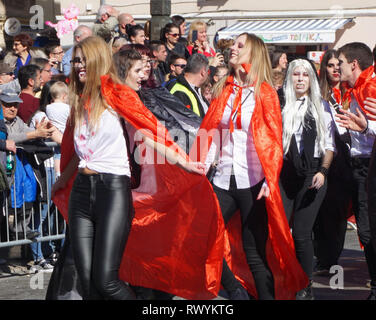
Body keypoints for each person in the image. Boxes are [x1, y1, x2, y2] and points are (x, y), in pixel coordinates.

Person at [50, 36, 207, 300]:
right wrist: (62, 180)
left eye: (84, 59)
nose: (78, 65)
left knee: (107, 281)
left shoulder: (116, 93)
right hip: (81, 191)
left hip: (112, 191)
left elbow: (150, 132)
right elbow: (80, 153)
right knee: (87, 284)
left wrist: (183, 160)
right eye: (75, 59)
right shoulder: (79, 100)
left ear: (98, 59)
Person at [189, 33, 308, 300]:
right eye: (233, 44)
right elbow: (210, 131)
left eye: (240, 46)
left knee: (255, 253)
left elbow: (273, 141)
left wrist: (269, 180)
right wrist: (199, 164)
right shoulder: (224, 88)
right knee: (202, 237)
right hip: (222, 179)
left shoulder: (265, 92)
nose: (233, 48)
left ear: (253, 54)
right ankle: (234, 289)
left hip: (253, 182)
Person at [279, 58, 336, 300]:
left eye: (305, 75)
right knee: (280, 231)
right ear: (289, 78)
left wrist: (322, 172)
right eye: (296, 74)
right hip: (285, 170)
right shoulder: (279, 105)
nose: (301, 78)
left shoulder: (321, 106)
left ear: (311, 79)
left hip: (313, 171)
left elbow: (329, 145)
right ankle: (281, 278)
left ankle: (305, 284)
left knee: (301, 234)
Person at [333, 42, 376, 300]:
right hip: (356, 164)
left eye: (340, 62)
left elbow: (370, 130)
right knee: (365, 228)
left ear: (353, 64)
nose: (337, 66)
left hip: (369, 164)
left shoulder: (370, 87)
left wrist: (364, 128)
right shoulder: (352, 89)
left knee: (369, 229)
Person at [312, 49, 353, 276]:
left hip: (349, 157)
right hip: (326, 156)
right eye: (331, 65)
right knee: (323, 210)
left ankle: (331, 256)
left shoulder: (350, 91)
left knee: (339, 211)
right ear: (324, 68)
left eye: (339, 64)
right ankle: (323, 256)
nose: (336, 69)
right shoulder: (318, 93)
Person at [167, 53, 209, 118]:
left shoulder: (197, 89)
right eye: (208, 72)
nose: (208, 75)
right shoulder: (179, 92)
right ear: (203, 72)